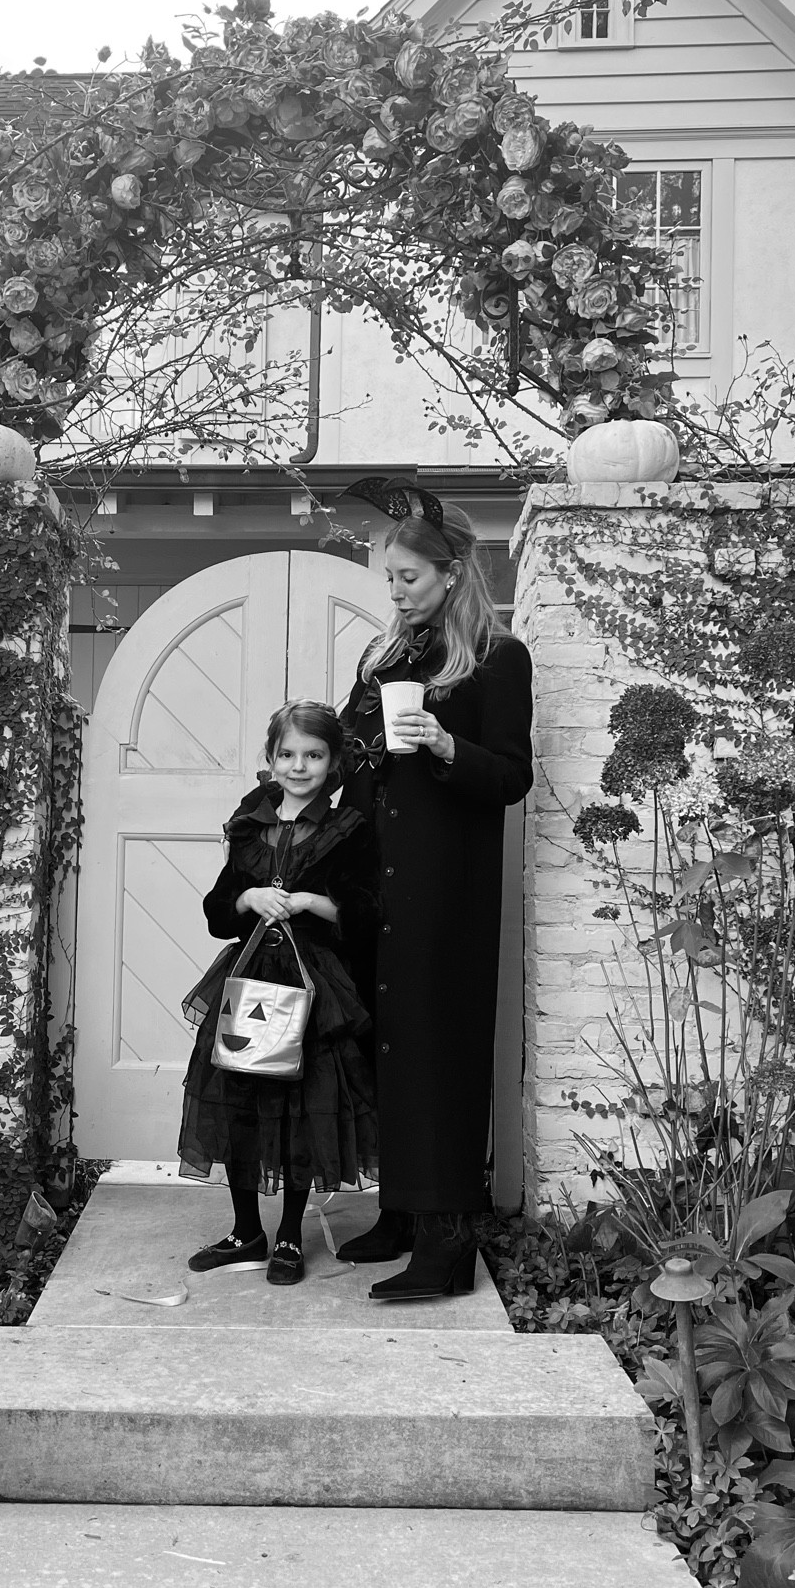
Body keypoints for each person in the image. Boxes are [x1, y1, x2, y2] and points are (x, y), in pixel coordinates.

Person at [336, 498, 533, 1300]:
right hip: (374, 876)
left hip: (443, 886)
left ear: (452, 575)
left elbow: (512, 778)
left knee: (434, 1048)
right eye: (390, 578)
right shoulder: (384, 657)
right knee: (380, 1041)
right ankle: (403, 1209)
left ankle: (448, 1238)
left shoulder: (498, 658)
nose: (397, 590)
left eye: (410, 576)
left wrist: (448, 745)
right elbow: (354, 758)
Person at [177, 701, 380, 1285]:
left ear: (333, 761)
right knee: (238, 1101)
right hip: (247, 983)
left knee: (297, 1109)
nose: (299, 766)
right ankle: (247, 1231)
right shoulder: (249, 826)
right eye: (287, 754)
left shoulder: (348, 831)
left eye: (313, 755)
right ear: (270, 761)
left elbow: (368, 911)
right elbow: (219, 910)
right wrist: (247, 900)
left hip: (311, 987)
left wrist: (315, 904)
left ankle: (290, 1234)